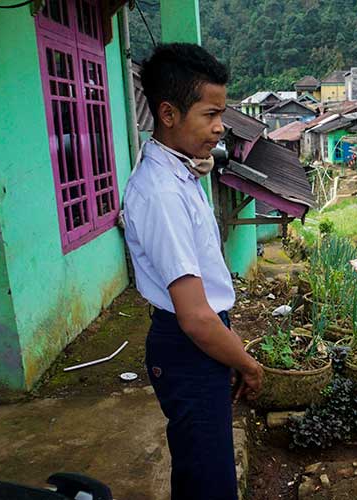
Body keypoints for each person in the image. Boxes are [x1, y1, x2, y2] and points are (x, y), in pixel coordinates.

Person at [123, 43, 263, 500]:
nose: (220, 127)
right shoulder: (161, 193)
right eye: (209, 114)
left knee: (201, 469)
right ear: (168, 113)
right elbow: (196, 316)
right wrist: (246, 362)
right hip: (189, 345)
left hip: (199, 343)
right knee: (210, 480)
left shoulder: (180, 173)